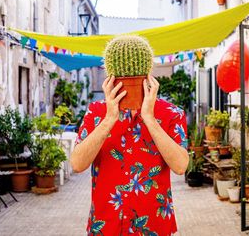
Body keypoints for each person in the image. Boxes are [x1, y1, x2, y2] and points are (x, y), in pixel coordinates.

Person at [71, 74, 189, 236]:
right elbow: (77, 164)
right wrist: (109, 119)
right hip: (106, 225)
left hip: (154, 226)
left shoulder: (171, 113)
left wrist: (149, 118)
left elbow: (181, 166)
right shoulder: (96, 111)